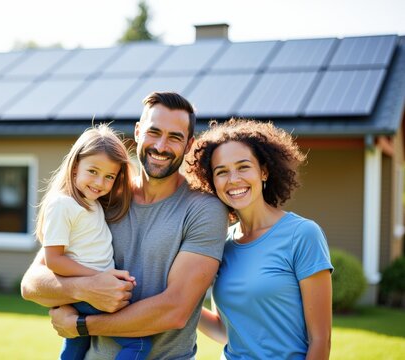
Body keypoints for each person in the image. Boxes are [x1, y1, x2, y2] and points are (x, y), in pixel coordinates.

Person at [21, 92, 228, 359]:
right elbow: (32, 283)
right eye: (154, 132)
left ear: (189, 145)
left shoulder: (204, 210)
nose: (161, 146)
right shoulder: (102, 196)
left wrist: (81, 325)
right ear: (138, 132)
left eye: (175, 137)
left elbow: (175, 311)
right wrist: (87, 287)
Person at [185, 119, 333, 359]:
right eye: (221, 172)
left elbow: (320, 340)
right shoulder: (222, 243)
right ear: (213, 182)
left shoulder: (303, 235)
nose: (233, 179)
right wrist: (180, 301)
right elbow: (225, 332)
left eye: (243, 167)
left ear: (263, 171)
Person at [35, 124, 152, 359]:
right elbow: (54, 260)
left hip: (94, 288)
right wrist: (97, 278)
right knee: (138, 343)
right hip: (89, 291)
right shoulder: (63, 204)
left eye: (109, 176)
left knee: (76, 346)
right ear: (76, 165)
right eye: (93, 171)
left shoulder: (93, 202)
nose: (99, 183)